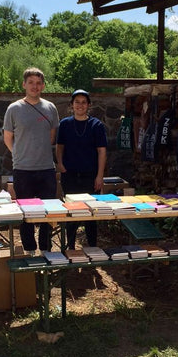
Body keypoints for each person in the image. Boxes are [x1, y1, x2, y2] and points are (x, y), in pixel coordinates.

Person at [3, 68, 59, 253]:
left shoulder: (51, 108)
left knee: (47, 211)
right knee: (25, 213)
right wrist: (18, 154)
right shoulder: (14, 109)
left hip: (46, 169)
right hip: (23, 169)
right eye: (31, 82)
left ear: (43, 86)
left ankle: (45, 248)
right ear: (24, 85)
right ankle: (29, 249)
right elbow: (8, 138)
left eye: (38, 83)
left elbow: (52, 137)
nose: (34, 86)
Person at [56, 89, 107, 249]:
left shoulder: (96, 125)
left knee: (91, 214)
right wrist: (60, 164)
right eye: (77, 102)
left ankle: (92, 248)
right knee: (72, 213)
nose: (80, 105)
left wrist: (99, 176)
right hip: (69, 175)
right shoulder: (64, 124)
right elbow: (59, 146)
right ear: (71, 105)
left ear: (89, 105)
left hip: (90, 176)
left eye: (83, 102)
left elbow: (102, 151)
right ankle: (70, 247)